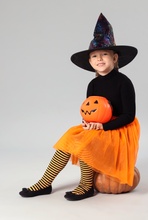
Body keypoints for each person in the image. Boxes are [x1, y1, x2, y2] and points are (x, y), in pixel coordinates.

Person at [19, 13, 140, 201]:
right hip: (98, 126)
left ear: (115, 58)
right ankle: (45, 182)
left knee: (86, 142)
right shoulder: (93, 85)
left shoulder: (124, 83)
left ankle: (86, 186)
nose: (99, 59)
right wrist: (88, 123)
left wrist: (103, 126)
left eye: (104, 55)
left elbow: (129, 116)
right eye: (95, 56)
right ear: (90, 62)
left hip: (119, 128)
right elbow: (90, 111)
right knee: (70, 136)